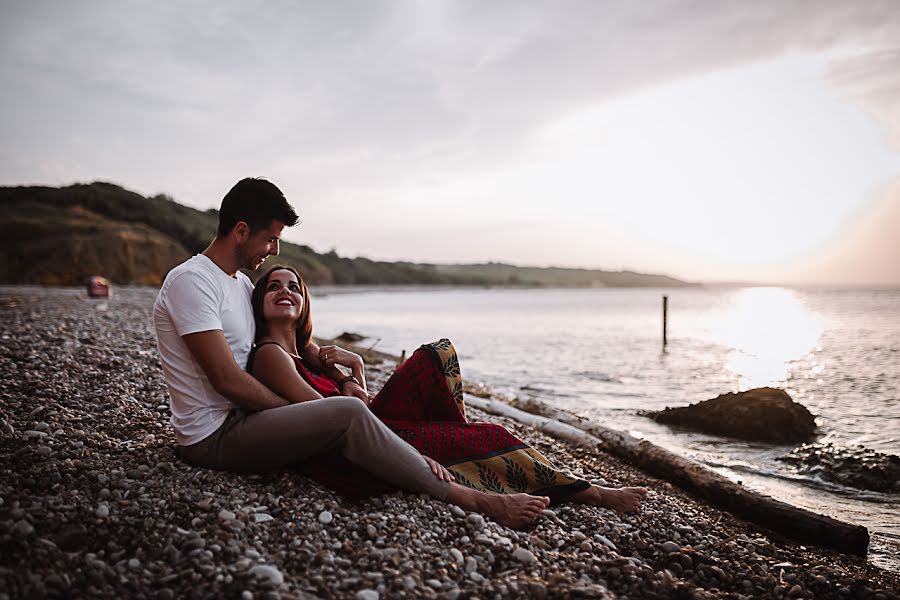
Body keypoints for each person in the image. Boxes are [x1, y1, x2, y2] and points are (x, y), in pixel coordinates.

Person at [153, 177, 550, 528]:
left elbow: (291, 343)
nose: (273, 250)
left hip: (246, 421)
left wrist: (344, 364)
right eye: (270, 238)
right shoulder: (192, 281)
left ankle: (443, 459)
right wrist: (301, 412)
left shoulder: (239, 284)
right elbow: (227, 379)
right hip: (214, 437)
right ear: (241, 230)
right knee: (347, 412)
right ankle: (477, 501)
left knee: (378, 402)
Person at [249, 264, 647, 512]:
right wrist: (407, 448)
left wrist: (355, 367)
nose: (286, 290)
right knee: (490, 435)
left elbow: (361, 404)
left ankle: (450, 440)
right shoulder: (271, 355)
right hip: (347, 450)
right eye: (274, 286)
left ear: (304, 304)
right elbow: (331, 418)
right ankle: (588, 492)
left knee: (437, 356)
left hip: (367, 425)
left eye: (294, 287)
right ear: (260, 303)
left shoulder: (308, 352)